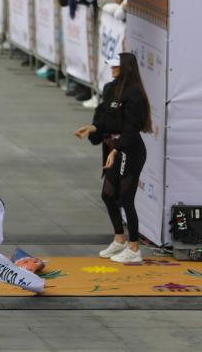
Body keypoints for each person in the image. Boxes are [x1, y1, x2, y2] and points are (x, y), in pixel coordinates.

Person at [74, 53, 152, 263]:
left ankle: (134, 249)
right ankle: (119, 239)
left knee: (126, 199)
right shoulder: (113, 89)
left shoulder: (134, 94)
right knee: (108, 195)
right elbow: (109, 120)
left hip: (130, 150)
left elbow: (131, 129)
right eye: (111, 66)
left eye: (116, 66)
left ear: (126, 68)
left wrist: (116, 151)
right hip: (117, 149)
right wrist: (92, 128)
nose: (112, 69)